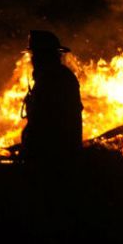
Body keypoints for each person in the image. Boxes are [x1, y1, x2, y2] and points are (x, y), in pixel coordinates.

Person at [20, 30, 83, 167]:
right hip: (52, 156)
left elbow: (45, 123)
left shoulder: (55, 79)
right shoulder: (51, 77)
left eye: (35, 55)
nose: (32, 60)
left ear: (46, 56)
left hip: (53, 159)